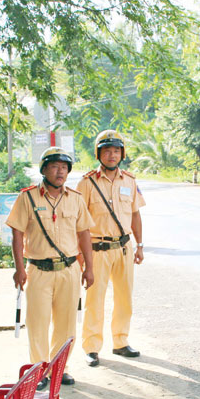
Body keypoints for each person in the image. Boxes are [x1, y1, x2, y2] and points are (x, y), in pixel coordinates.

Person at [7, 147, 94, 389]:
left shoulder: (75, 199)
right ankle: (39, 370)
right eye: (55, 167)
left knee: (66, 325)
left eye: (64, 168)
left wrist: (89, 268)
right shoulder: (28, 198)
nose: (60, 172)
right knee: (38, 323)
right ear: (44, 169)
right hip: (38, 270)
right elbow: (17, 233)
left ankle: (59, 368)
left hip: (69, 269)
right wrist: (19, 268)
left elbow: (84, 233)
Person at [76, 130, 146, 367]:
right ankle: (92, 347)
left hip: (124, 248)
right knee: (95, 299)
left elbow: (135, 215)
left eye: (116, 151)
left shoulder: (130, 180)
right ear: (99, 154)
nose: (112, 155)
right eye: (107, 151)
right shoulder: (86, 183)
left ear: (122, 154)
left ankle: (121, 342)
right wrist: (80, 255)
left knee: (124, 298)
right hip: (97, 249)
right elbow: (78, 222)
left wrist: (140, 246)